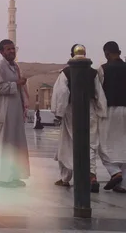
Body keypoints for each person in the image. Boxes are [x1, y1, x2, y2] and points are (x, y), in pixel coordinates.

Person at [50, 44, 107, 192]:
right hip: (90, 110)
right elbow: (99, 94)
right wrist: (101, 110)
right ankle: (91, 175)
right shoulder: (93, 72)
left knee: (67, 144)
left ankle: (65, 178)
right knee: (91, 144)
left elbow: (61, 93)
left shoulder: (66, 72)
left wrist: (59, 112)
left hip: (71, 111)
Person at [0, 39, 30, 188]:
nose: (11, 51)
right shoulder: (0, 66)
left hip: (15, 112)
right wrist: (16, 84)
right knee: (5, 144)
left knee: (15, 144)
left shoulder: (15, 67)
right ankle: (2, 178)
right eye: (8, 49)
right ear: (1, 52)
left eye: (13, 49)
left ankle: (13, 176)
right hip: (4, 113)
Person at [98, 41, 126, 193]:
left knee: (102, 144)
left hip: (110, 110)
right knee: (124, 145)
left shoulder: (103, 69)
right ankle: (123, 184)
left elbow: (98, 92)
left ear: (107, 53)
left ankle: (115, 172)